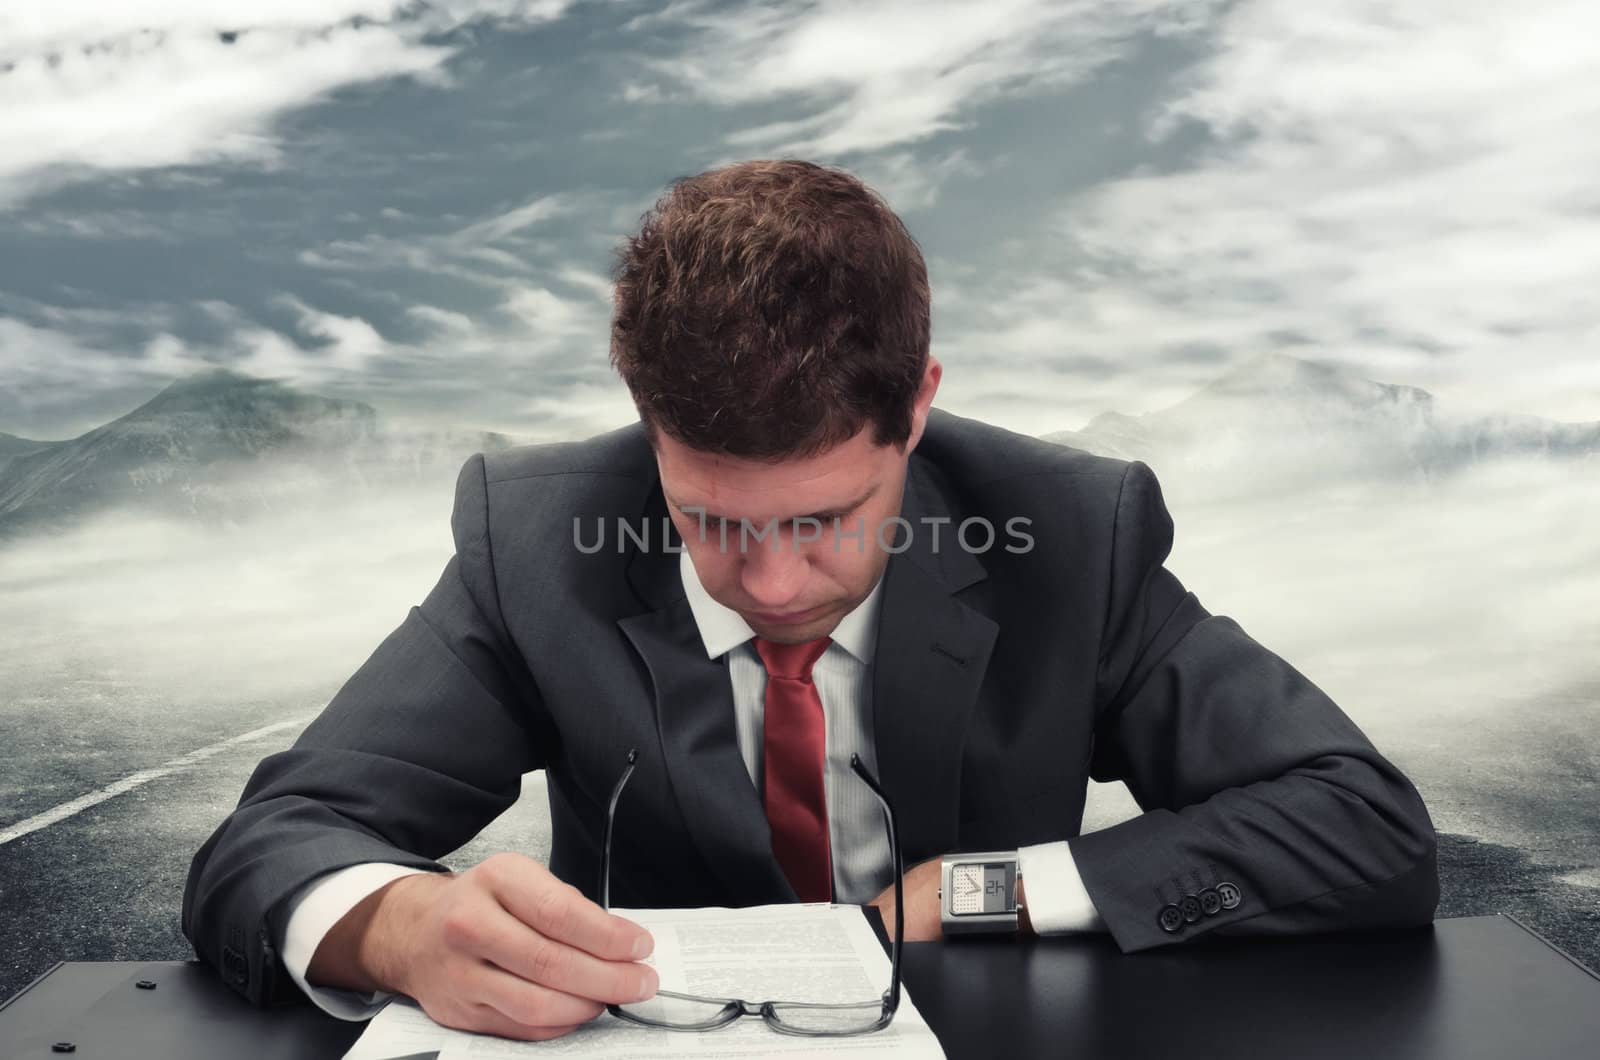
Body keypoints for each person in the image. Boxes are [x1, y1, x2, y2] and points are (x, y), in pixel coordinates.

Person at [182, 159, 1439, 1040]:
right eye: (711, 522)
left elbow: (1362, 825)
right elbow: (272, 842)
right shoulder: (537, 538)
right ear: (647, 430)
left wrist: (971, 893)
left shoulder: (1070, 532)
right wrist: (398, 926)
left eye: (827, 519)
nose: (774, 585)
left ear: (919, 406)